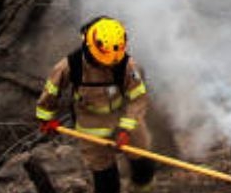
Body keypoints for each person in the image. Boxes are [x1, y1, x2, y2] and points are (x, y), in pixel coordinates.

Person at [35, 16, 155, 193]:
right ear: (91, 48)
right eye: (103, 61)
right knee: (106, 180)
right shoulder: (70, 66)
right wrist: (46, 119)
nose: (107, 66)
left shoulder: (126, 65)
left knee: (143, 167)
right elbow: (51, 93)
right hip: (91, 125)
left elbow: (138, 98)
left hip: (125, 118)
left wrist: (126, 128)